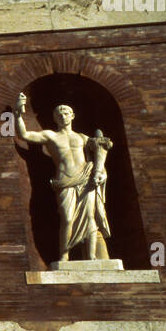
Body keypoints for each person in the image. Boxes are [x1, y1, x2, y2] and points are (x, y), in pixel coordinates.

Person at [14, 92, 112, 261]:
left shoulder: (83, 137)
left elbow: (99, 155)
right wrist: (18, 113)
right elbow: (25, 135)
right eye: (58, 113)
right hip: (65, 180)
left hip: (86, 178)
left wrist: (102, 174)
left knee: (90, 219)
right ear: (54, 118)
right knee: (67, 218)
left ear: (72, 116)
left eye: (66, 112)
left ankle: (91, 257)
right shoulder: (51, 136)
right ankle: (64, 256)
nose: (62, 115)